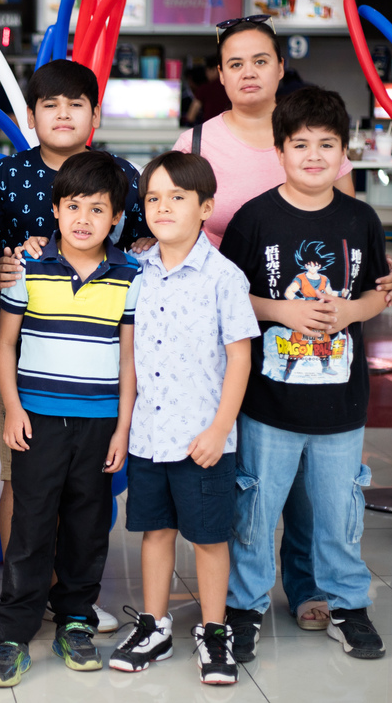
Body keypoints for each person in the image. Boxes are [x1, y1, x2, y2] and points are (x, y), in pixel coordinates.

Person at [171, 16, 392, 633]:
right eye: (235, 63)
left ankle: (313, 590)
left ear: (279, 66)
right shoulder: (202, 148)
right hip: (237, 340)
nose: (248, 72)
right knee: (257, 483)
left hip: (332, 374)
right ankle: (242, 601)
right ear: (221, 74)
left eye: (260, 60)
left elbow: (362, 269)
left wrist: (363, 300)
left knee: (324, 493)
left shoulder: (349, 208)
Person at [0, 59, 151, 644]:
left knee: (84, 498)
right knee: (22, 486)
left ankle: (72, 602)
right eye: (50, 105)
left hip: (99, 354)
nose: (63, 114)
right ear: (32, 116)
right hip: (25, 357)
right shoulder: (4, 175)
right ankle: (18, 600)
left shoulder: (121, 174)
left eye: (76, 104)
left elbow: (143, 250)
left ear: (94, 115)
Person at [220, 86, 390, 662]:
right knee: (255, 509)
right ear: (280, 150)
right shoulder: (255, 217)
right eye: (300, 145)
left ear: (344, 153)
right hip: (268, 403)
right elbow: (230, 298)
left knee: (339, 511)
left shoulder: (361, 218)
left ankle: (348, 603)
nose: (313, 155)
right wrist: (282, 310)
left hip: (341, 404)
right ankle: (244, 606)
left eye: (326, 144)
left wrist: (350, 310)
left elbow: (374, 296)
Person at [109, 151, 259, 685]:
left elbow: (240, 357)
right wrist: (125, 429)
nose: (163, 207)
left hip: (203, 437)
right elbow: (129, 357)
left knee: (210, 538)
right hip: (150, 435)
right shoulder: (136, 272)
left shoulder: (224, 277)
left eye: (178, 197)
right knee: (154, 532)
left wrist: (220, 429)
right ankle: (154, 625)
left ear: (206, 208)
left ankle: (214, 631)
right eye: (153, 198)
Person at [183, 54, 230, 126]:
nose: (206, 74)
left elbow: (191, 116)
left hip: (210, 130)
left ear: (215, 70)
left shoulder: (205, 88)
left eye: (207, 71)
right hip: (230, 130)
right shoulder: (231, 87)